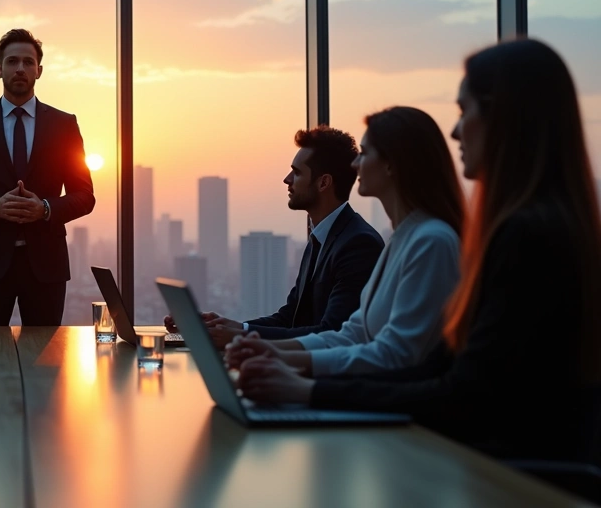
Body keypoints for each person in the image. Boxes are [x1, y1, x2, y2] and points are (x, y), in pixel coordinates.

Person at [238, 39, 601, 462]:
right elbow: (423, 364)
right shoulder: (431, 236)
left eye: (465, 112)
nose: (455, 130)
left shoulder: (516, 237)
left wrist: (305, 385)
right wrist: (287, 364)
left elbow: (455, 386)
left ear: (504, 118)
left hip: (508, 477)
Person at [224, 106, 463, 376]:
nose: (355, 164)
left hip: (399, 412)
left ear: (390, 165)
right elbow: (353, 333)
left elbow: (395, 354)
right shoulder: (401, 239)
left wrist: (305, 389)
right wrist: (268, 349)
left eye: (365, 153)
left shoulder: (428, 242)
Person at [167, 126, 384, 348]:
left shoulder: (358, 244)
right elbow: (290, 318)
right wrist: (229, 327)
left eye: (297, 172)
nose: (286, 179)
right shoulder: (321, 238)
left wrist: (240, 338)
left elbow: (333, 333)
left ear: (323, 183)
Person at [0, 29, 95, 325]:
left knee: (46, 359)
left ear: (39, 70)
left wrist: (46, 209)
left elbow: (84, 195)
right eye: (12, 62)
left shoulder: (64, 125)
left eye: (28, 62)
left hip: (46, 265)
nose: (20, 69)